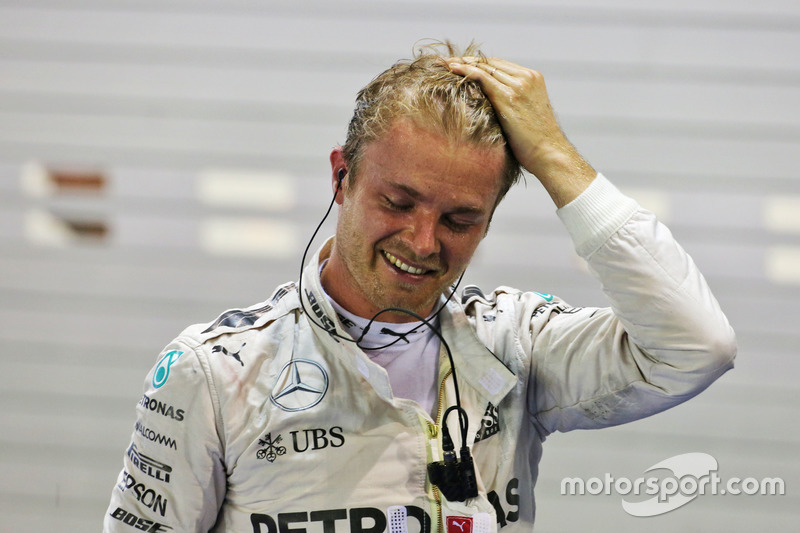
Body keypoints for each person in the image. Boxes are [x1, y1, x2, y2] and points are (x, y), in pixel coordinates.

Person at [104, 42, 736, 533]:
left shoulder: (512, 343)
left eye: (460, 219)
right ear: (341, 177)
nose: (423, 241)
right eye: (398, 202)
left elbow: (696, 346)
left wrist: (552, 153)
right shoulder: (215, 373)